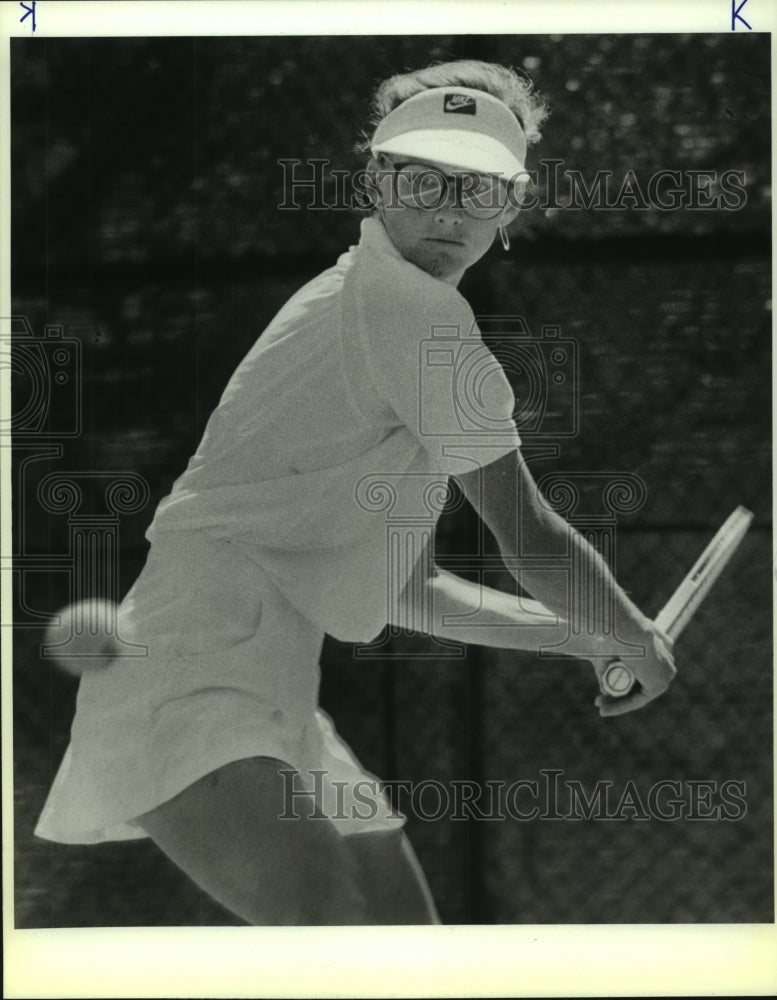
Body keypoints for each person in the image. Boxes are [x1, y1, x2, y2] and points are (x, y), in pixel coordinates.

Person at [35, 60, 676, 925]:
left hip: (275, 691)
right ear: (375, 180)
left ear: (512, 205)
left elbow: (408, 588)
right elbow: (528, 535)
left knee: (409, 944)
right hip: (185, 677)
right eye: (423, 180)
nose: (448, 211)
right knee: (332, 941)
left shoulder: (385, 310)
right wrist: (633, 637)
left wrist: (584, 639)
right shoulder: (406, 315)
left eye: (479, 189)